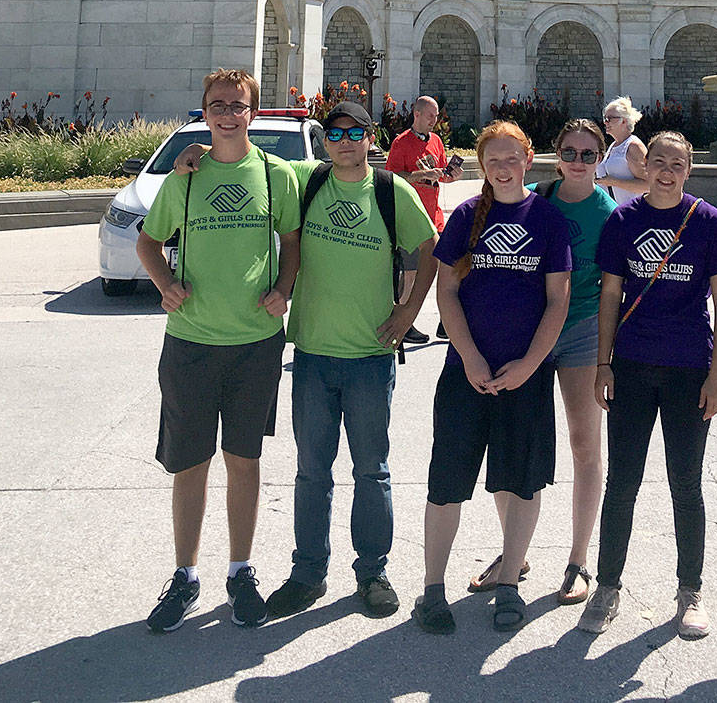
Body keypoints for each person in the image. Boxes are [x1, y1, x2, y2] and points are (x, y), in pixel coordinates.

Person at [174, 96, 438, 620]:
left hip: (369, 355)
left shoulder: (390, 191)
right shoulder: (304, 180)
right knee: (312, 471)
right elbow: (244, 155)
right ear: (324, 142)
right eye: (334, 135)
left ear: (370, 139)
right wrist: (198, 150)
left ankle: (372, 572)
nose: (344, 143)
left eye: (354, 134)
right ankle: (308, 573)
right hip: (313, 355)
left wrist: (408, 312)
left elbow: (430, 247)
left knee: (372, 471)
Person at [137, 68, 301, 633]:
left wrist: (283, 289)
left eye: (238, 104)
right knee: (190, 463)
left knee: (244, 461)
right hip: (190, 342)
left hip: (255, 344)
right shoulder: (184, 177)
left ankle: (240, 570)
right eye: (217, 105)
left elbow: (292, 239)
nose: (228, 113)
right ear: (203, 113)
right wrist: (165, 286)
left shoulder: (276, 174)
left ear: (254, 112)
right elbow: (147, 241)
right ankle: (185, 576)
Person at [581, 130, 717, 640]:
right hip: (631, 364)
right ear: (644, 167)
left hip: (688, 368)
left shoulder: (709, 223)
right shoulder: (623, 220)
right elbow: (610, 295)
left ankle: (690, 590)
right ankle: (608, 587)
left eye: (678, 163)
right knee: (622, 482)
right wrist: (602, 363)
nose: (667, 171)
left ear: (688, 170)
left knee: (686, 484)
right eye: (659, 162)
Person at [412, 121, 571, 635]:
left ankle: (509, 584)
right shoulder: (464, 217)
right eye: (492, 159)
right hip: (466, 373)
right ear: (482, 164)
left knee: (520, 480)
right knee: (447, 483)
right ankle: (432, 589)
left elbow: (557, 300)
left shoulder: (546, 219)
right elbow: (447, 294)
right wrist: (471, 357)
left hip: (526, 376)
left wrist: (528, 365)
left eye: (511, 158)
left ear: (528, 159)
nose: (502, 168)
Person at [471, 118, 614, 603]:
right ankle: (515, 552)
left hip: (579, 333)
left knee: (583, 443)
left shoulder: (608, 212)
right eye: (569, 152)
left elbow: (615, 287)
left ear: (601, 158)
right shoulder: (534, 198)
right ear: (554, 156)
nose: (578, 161)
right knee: (509, 440)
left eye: (588, 154)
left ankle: (578, 559)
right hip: (524, 332)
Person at [385, 95, 461, 341]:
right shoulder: (401, 142)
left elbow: (441, 173)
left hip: (435, 217)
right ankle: (405, 323)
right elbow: (392, 177)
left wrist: (451, 175)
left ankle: (445, 323)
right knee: (411, 272)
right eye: (430, 115)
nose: (434, 120)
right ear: (416, 114)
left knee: (450, 269)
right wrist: (421, 174)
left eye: (436, 116)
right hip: (410, 217)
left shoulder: (436, 141)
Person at [595, 96, 648, 201]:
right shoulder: (613, 146)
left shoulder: (633, 146)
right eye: (605, 118)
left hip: (632, 212)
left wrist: (613, 182)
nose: (605, 122)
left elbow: (649, 185)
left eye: (609, 119)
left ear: (623, 121)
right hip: (613, 212)